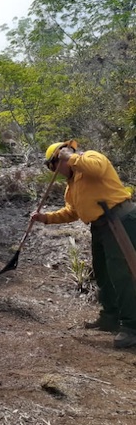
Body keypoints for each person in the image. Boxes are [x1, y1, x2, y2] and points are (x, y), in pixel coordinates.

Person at [31, 140, 136, 349]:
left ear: (63, 156)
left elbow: (96, 170)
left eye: (55, 165)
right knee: (103, 273)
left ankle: (132, 327)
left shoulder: (90, 158)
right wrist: (46, 218)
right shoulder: (71, 187)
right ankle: (110, 316)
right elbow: (72, 211)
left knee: (123, 273)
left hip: (119, 221)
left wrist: (69, 156)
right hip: (100, 227)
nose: (56, 171)